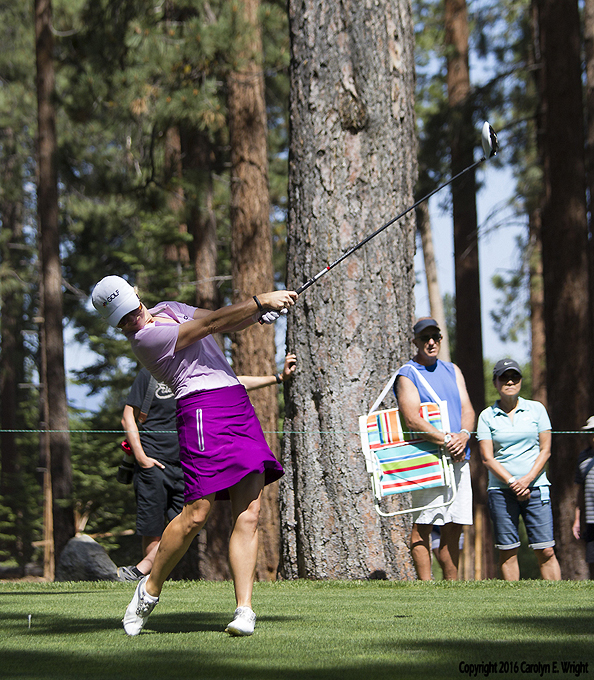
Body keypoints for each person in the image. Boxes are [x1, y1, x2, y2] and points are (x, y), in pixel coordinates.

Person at [91, 275, 298, 636]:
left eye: (130, 311)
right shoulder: (145, 339)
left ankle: (244, 610)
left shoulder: (171, 309)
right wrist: (260, 301)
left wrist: (255, 316)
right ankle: (149, 589)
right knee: (195, 514)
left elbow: (219, 315)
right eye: (121, 320)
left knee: (249, 512)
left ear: (136, 295)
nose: (130, 321)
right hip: (200, 407)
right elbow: (210, 325)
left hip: (236, 403)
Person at [118, 354, 298, 582]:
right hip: (154, 463)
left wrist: (278, 377)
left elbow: (237, 382)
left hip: (188, 464)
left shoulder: (200, 376)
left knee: (186, 525)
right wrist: (142, 457)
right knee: (152, 529)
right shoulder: (150, 374)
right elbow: (128, 417)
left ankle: (143, 571)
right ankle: (147, 577)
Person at [395, 317, 474, 580]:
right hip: (427, 458)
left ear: (441, 339)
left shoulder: (453, 370)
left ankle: (451, 588)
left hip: (459, 457)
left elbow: (467, 409)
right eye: (425, 338)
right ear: (415, 341)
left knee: (455, 524)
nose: (431, 342)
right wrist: (448, 441)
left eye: (435, 337)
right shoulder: (408, 373)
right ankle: (426, 588)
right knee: (424, 524)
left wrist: (464, 435)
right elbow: (412, 418)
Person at [476, 359, 561, 581]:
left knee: (545, 549)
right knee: (507, 549)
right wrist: (513, 482)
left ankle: (557, 604)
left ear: (520, 381)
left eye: (514, 377)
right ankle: (515, 604)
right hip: (502, 491)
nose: (510, 381)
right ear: (495, 382)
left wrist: (528, 479)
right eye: (504, 377)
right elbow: (487, 457)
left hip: (536, 488)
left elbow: (546, 450)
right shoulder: (486, 416)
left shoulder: (536, 409)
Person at [572, 416, 594, 579]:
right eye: (591, 432)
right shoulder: (584, 457)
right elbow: (580, 490)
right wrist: (577, 519)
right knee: (592, 560)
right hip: (591, 519)